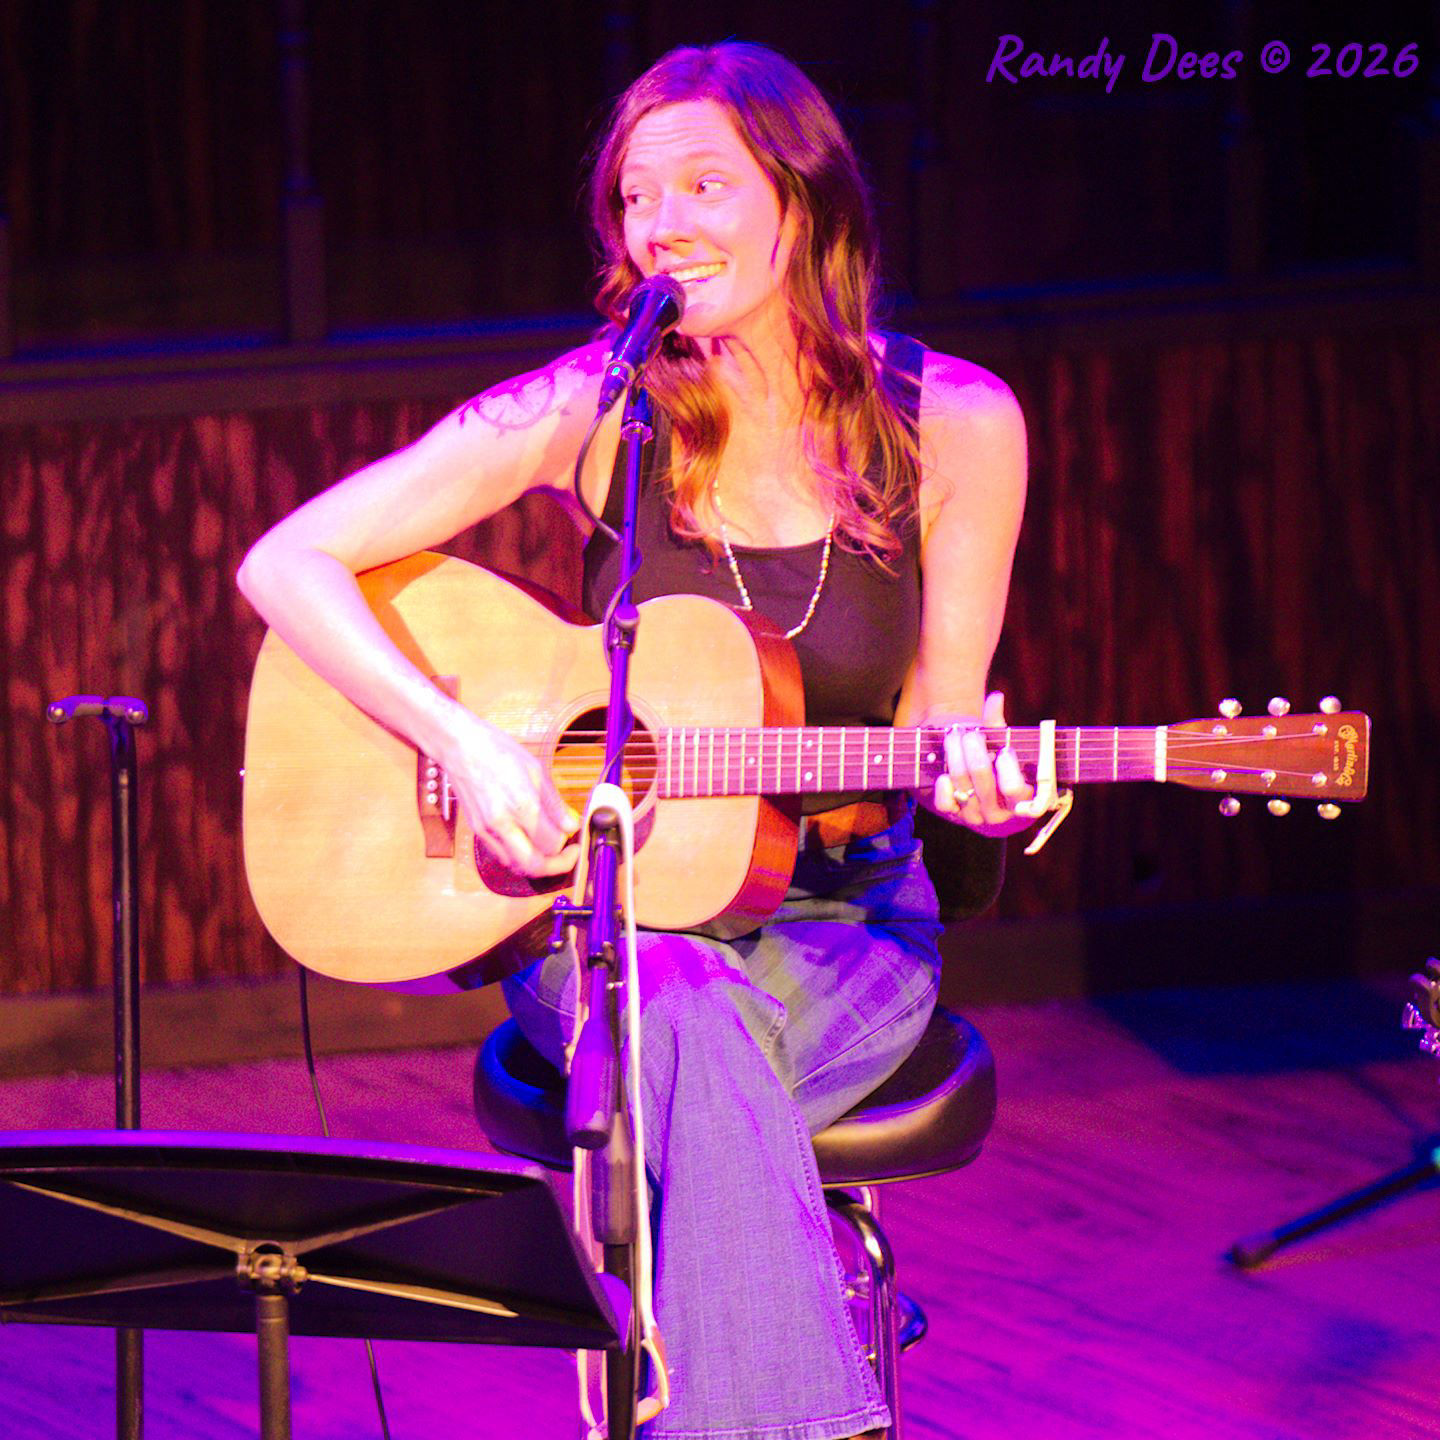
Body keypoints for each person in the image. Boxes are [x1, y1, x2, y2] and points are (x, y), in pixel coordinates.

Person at [238, 40, 1033, 1440]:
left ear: (804, 200)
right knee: (676, 999)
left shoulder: (955, 426)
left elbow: (944, 735)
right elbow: (287, 561)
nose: (661, 222)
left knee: (691, 1035)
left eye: (705, 183)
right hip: (600, 935)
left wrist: (986, 809)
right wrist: (462, 741)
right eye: (633, 196)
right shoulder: (597, 406)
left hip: (841, 929)